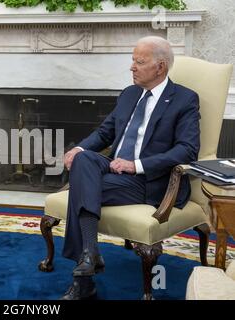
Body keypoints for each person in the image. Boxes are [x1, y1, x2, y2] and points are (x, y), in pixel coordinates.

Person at [60, 36, 200, 299]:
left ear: (160, 67)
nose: (132, 67)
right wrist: (78, 149)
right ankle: (90, 253)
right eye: (132, 60)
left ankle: (84, 280)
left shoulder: (184, 99)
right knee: (84, 159)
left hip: (149, 179)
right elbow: (105, 133)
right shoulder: (129, 94)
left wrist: (136, 165)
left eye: (139, 61)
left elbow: (187, 150)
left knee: (81, 188)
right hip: (114, 170)